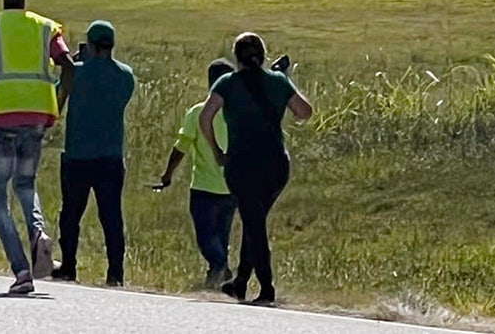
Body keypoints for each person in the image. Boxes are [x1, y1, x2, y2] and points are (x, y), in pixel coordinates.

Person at [0, 0, 75, 295]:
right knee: (25, 184)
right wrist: (58, 102)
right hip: (38, 114)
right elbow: (68, 67)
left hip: (2, 117)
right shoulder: (46, 27)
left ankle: (22, 269)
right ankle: (38, 232)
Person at [199, 33, 313, 306]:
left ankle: (266, 288)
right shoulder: (278, 81)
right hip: (275, 164)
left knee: (255, 223)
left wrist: (217, 151)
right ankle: (240, 282)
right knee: (255, 219)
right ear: (263, 56)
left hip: (242, 164)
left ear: (236, 58)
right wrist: (284, 80)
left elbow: (206, 117)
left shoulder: (226, 83)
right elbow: (304, 111)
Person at [53, 21, 135, 286]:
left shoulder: (75, 73)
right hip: (110, 155)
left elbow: (57, 102)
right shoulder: (125, 75)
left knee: (70, 215)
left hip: (78, 154)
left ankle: (68, 267)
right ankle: (115, 273)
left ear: (90, 44)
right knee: (111, 216)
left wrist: (76, 65)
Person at [154, 58, 237, 287]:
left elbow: (180, 148)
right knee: (222, 233)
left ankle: (219, 266)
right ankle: (219, 272)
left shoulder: (198, 112)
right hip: (232, 187)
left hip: (204, 187)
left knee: (206, 235)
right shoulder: (238, 114)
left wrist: (168, 174)